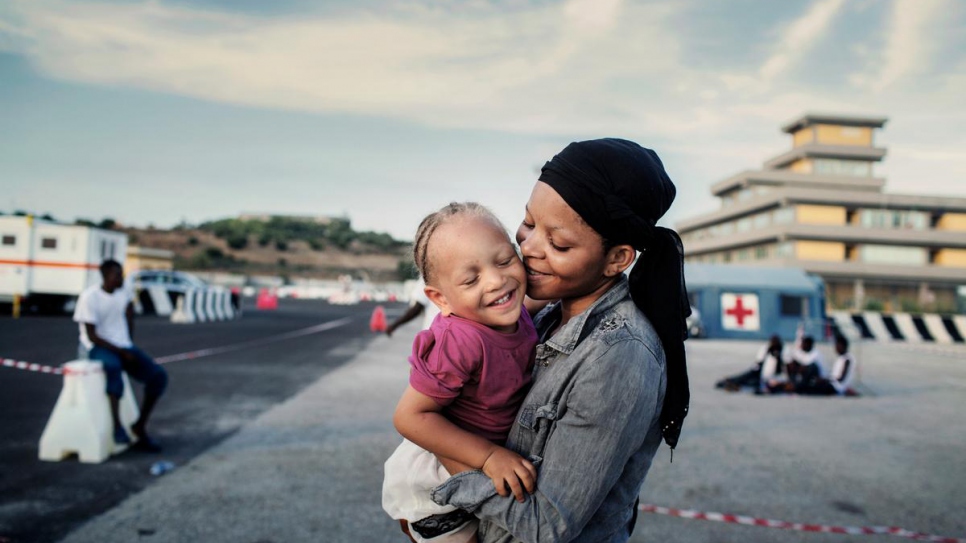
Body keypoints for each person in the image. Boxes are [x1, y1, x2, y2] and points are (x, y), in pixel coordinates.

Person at [430, 138, 691, 542]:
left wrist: (440, 448)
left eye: (559, 244)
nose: (527, 248)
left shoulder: (619, 357)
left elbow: (545, 523)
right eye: (529, 223)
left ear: (617, 259)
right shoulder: (546, 313)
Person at [382, 202, 540, 543]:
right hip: (440, 473)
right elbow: (409, 417)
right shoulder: (461, 340)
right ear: (441, 299)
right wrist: (489, 455)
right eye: (471, 279)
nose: (498, 280)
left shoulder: (513, 310)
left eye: (505, 260)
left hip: (476, 462)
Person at [73, 259, 168, 452]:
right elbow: (92, 335)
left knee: (158, 377)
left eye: (122, 274)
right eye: (117, 274)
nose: (121, 278)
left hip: (123, 345)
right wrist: (122, 351)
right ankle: (117, 427)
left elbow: (128, 318)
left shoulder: (123, 293)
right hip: (97, 346)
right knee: (114, 368)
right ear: (106, 276)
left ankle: (139, 426)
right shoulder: (90, 297)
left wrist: (128, 344)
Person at [715, 335, 785, 393]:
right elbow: (758, 364)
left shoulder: (783, 352)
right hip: (757, 372)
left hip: (769, 377)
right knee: (743, 377)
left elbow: (782, 371)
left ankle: (736, 385)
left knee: (753, 383)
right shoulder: (766, 350)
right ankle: (728, 381)